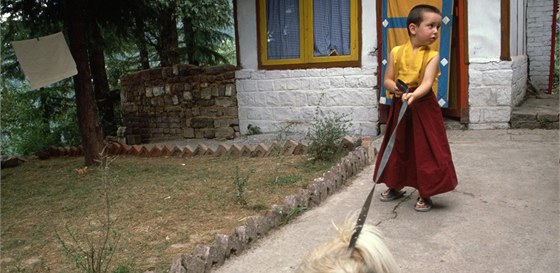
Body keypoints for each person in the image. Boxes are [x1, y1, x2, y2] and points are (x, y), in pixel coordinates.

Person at [373, 4, 458, 212]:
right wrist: (396, 89)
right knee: (398, 146)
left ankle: (425, 191)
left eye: (438, 27)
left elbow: (427, 83)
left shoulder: (433, 55)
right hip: (400, 104)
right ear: (413, 28)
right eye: (431, 26)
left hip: (423, 107)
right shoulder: (396, 52)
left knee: (425, 150)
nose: (436, 31)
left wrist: (413, 95)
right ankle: (395, 185)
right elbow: (388, 80)